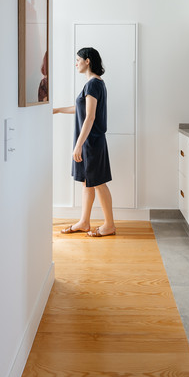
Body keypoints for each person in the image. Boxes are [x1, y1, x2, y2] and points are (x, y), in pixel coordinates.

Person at [53, 47, 116, 237]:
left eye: (78, 59)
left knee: (98, 183)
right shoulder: (94, 84)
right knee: (87, 183)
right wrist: (56, 110)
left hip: (91, 142)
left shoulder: (93, 84)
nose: (76, 63)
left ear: (87, 61)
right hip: (91, 141)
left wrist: (78, 144)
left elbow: (89, 117)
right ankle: (84, 222)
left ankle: (109, 225)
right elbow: (79, 108)